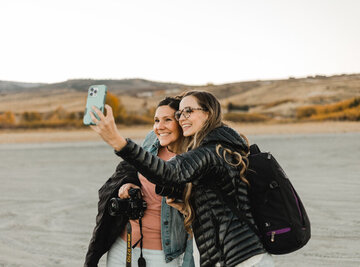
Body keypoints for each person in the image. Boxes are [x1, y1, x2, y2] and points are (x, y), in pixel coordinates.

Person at [89, 91, 275, 267]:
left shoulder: (211, 152)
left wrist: (118, 141)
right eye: (180, 113)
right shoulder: (214, 148)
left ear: (208, 114)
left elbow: (169, 173)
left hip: (241, 257)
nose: (183, 117)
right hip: (224, 256)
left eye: (188, 111)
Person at [84, 97, 195, 267]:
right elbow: (130, 168)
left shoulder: (193, 159)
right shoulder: (152, 140)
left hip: (162, 256)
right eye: (156, 120)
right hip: (124, 244)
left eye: (168, 120)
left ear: (181, 122)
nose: (160, 127)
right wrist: (128, 184)